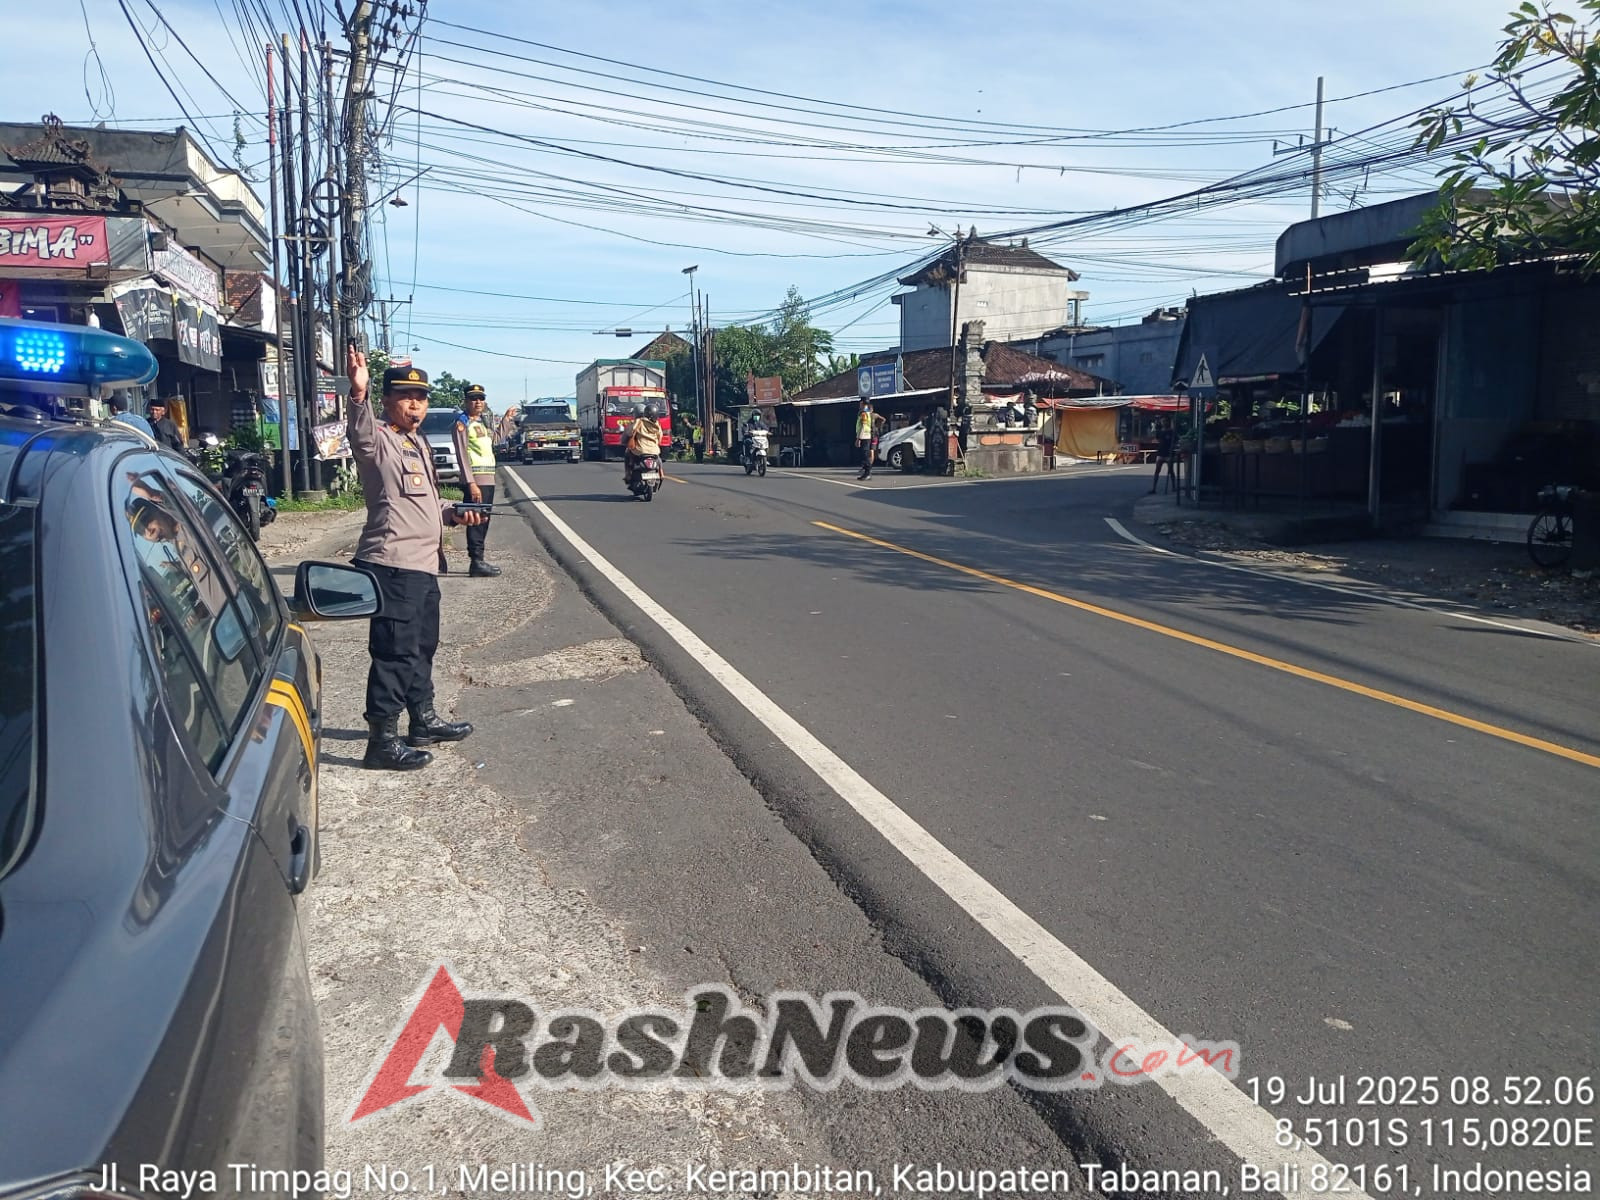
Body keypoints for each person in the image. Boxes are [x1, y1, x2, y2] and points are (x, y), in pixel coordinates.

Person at [346, 347, 487, 771]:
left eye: (421, 398)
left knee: (422, 647)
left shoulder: (417, 443)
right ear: (387, 400)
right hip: (393, 564)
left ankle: (422, 720)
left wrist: (452, 512)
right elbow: (360, 431)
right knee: (394, 652)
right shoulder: (380, 441)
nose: (415, 404)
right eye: (406, 396)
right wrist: (359, 392)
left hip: (424, 566)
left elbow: (423, 503)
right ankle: (381, 741)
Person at [450, 383, 501, 578]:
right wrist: (471, 483)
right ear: (466, 401)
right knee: (476, 520)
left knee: (484, 519)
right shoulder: (462, 423)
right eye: (473, 398)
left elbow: (495, 441)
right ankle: (476, 561)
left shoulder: (481, 423)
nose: (478, 402)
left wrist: (506, 420)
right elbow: (462, 454)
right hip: (476, 480)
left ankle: (479, 559)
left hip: (488, 479)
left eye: (481, 398)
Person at [624, 402, 664, 485]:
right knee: (658, 458)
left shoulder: (638, 422)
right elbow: (660, 438)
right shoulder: (656, 424)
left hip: (640, 450)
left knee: (628, 453)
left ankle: (628, 474)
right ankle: (661, 472)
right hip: (654, 450)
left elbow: (630, 432)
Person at [854, 400, 885, 480]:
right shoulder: (869, 414)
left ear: (864, 405)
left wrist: (858, 438)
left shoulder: (864, 414)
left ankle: (867, 472)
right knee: (867, 453)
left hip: (865, 435)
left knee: (866, 454)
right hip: (869, 435)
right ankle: (866, 470)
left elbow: (863, 426)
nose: (859, 405)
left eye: (861, 404)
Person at [1150, 417, 1178, 493]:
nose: (1164, 423)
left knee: (1171, 471)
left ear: (1168, 422)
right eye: (1163, 421)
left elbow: (1176, 441)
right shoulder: (1159, 432)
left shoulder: (1172, 432)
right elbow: (1158, 439)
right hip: (1160, 453)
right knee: (1157, 471)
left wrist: (1173, 447)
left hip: (1169, 454)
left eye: (1165, 421)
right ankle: (1154, 488)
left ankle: (1174, 487)